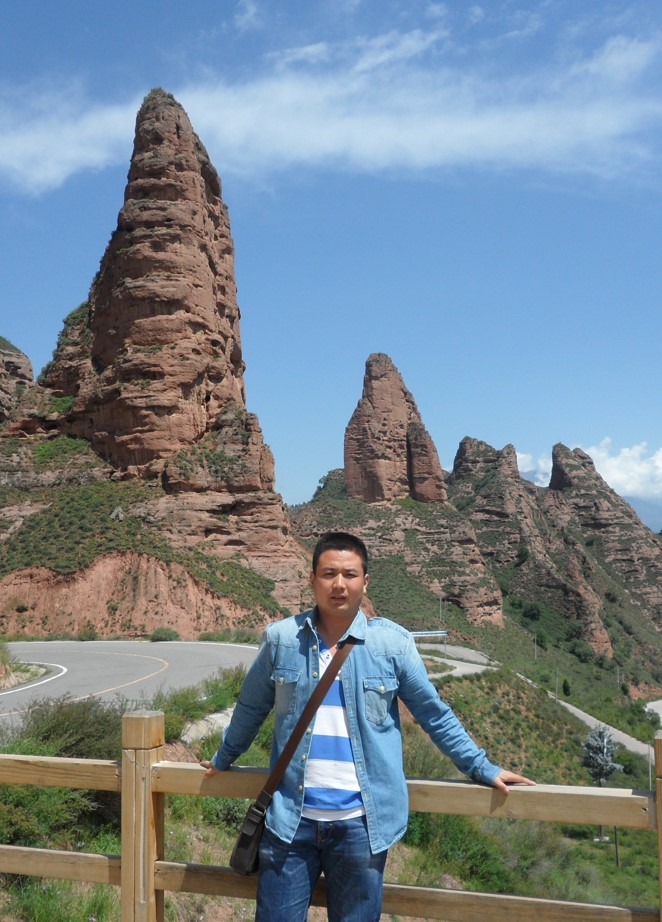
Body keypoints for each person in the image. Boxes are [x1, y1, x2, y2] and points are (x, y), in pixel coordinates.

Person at [202, 531, 534, 922]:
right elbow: (250, 707)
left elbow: (434, 714)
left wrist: (481, 767)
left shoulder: (392, 645)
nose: (339, 584)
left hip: (362, 826)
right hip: (290, 821)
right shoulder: (281, 640)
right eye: (329, 573)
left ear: (365, 581)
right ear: (312, 579)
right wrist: (223, 757)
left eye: (349, 574)